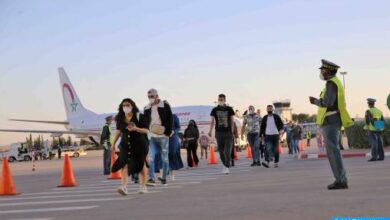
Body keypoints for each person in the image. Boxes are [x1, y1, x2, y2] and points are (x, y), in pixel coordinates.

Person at [309, 59, 354, 190]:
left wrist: (315, 101)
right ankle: (340, 179)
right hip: (333, 119)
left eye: (323, 70)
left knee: (333, 151)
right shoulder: (335, 82)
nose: (322, 72)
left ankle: (341, 180)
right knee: (333, 151)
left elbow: (327, 102)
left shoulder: (331, 83)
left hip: (331, 120)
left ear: (330, 71)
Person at [111, 98, 150, 195]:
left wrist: (136, 128)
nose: (125, 107)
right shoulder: (120, 118)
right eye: (124, 105)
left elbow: (146, 131)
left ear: (132, 106)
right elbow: (118, 131)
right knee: (124, 165)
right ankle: (124, 187)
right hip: (125, 145)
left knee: (141, 166)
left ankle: (143, 186)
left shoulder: (139, 116)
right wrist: (113, 143)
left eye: (128, 105)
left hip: (139, 144)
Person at [144, 89, 173, 186]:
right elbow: (145, 122)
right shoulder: (146, 108)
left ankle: (164, 177)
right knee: (151, 157)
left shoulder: (165, 106)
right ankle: (151, 178)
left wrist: (167, 132)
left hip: (163, 136)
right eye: (149, 96)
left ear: (157, 96)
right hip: (152, 137)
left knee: (164, 158)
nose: (150, 98)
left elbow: (170, 119)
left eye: (152, 96)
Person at [208, 94, 235, 175]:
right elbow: (212, 121)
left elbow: (232, 121)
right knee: (220, 151)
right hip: (219, 133)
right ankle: (225, 164)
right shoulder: (214, 109)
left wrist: (232, 132)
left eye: (222, 99)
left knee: (227, 151)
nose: (220, 100)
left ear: (225, 100)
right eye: (219, 99)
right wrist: (210, 131)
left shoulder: (229, 109)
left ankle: (227, 167)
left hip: (228, 133)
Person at [168, 114, 184, 181]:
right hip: (161, 137)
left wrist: (174, 131)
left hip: (172, 138)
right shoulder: (159, 116)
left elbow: (178, 127)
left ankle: (172, 174)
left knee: (172, 154)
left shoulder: (173, 116)